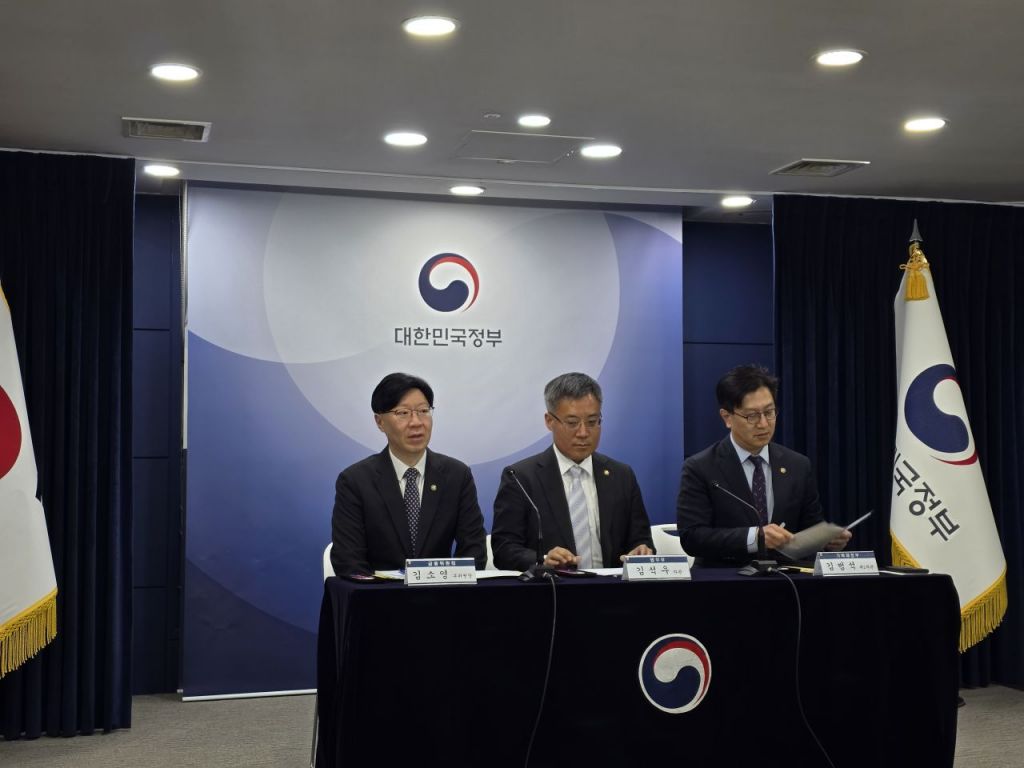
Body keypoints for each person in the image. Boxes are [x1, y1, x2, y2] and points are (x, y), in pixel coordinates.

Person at [676, 364, 851, 567]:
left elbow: (810, 528)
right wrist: (755, 537)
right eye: (752, 416)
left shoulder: (798, 465)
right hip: (725, 577)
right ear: (727, 417)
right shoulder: (700, 467)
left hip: (787, 578)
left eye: (769, 412)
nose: (764, 424)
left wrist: (826, 541)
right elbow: (692, 537)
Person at [491, 372, 654, 572]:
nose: (583, 433)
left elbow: (641, 539)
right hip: (552, 588)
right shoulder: (520, 478)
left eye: (592, 422)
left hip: (611, 587)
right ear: (549, 421)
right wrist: (543, 560)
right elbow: (504, 550)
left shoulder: (621, 475)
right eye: (572, 423)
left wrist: (641, 550)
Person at [330, 372, 487, 576]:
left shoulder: (457, 476)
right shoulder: (355, 481)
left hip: (442, 593)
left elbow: (474, 550)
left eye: (423, 411)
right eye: (403, 413)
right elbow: (348, 559)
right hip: (378, 594)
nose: (416, 422)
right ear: (380, 421)